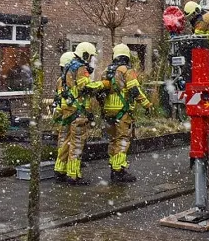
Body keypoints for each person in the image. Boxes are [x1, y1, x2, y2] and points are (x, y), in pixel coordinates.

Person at [102, 44, 152, 183]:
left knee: (113, 139)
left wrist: (103, 109)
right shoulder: (126, 70)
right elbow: (134, 90)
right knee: (123, 139)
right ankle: (119, 171)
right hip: (122, 111)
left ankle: (113, 167)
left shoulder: (106, 71)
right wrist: (147, 104)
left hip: (108, 111)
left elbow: (101, 92)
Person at [59, 42, 104, 186]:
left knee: (66, 141)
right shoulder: (80, 67)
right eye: (90, 56)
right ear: (85, 54)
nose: (90, 59)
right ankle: (73, 175)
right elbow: (86, 86)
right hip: (78, 111)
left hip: (69, 109)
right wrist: (102, 84)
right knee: (77, 143)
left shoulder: (69, 66)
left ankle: (60, 170)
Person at [183, 1, 209, 81]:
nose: (191, 18)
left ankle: (208, 87)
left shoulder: (201, 20)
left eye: (191, 16)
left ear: (195, 11)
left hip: (208, 46)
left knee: (207, 69)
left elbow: (197, 36)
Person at [52, 51, 75, 183]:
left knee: (63, 142)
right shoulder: (69, 80)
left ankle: (60, 169)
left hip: (61, 114)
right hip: (69, 113)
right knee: (70, 142)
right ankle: (70, 172)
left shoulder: (60, 80)